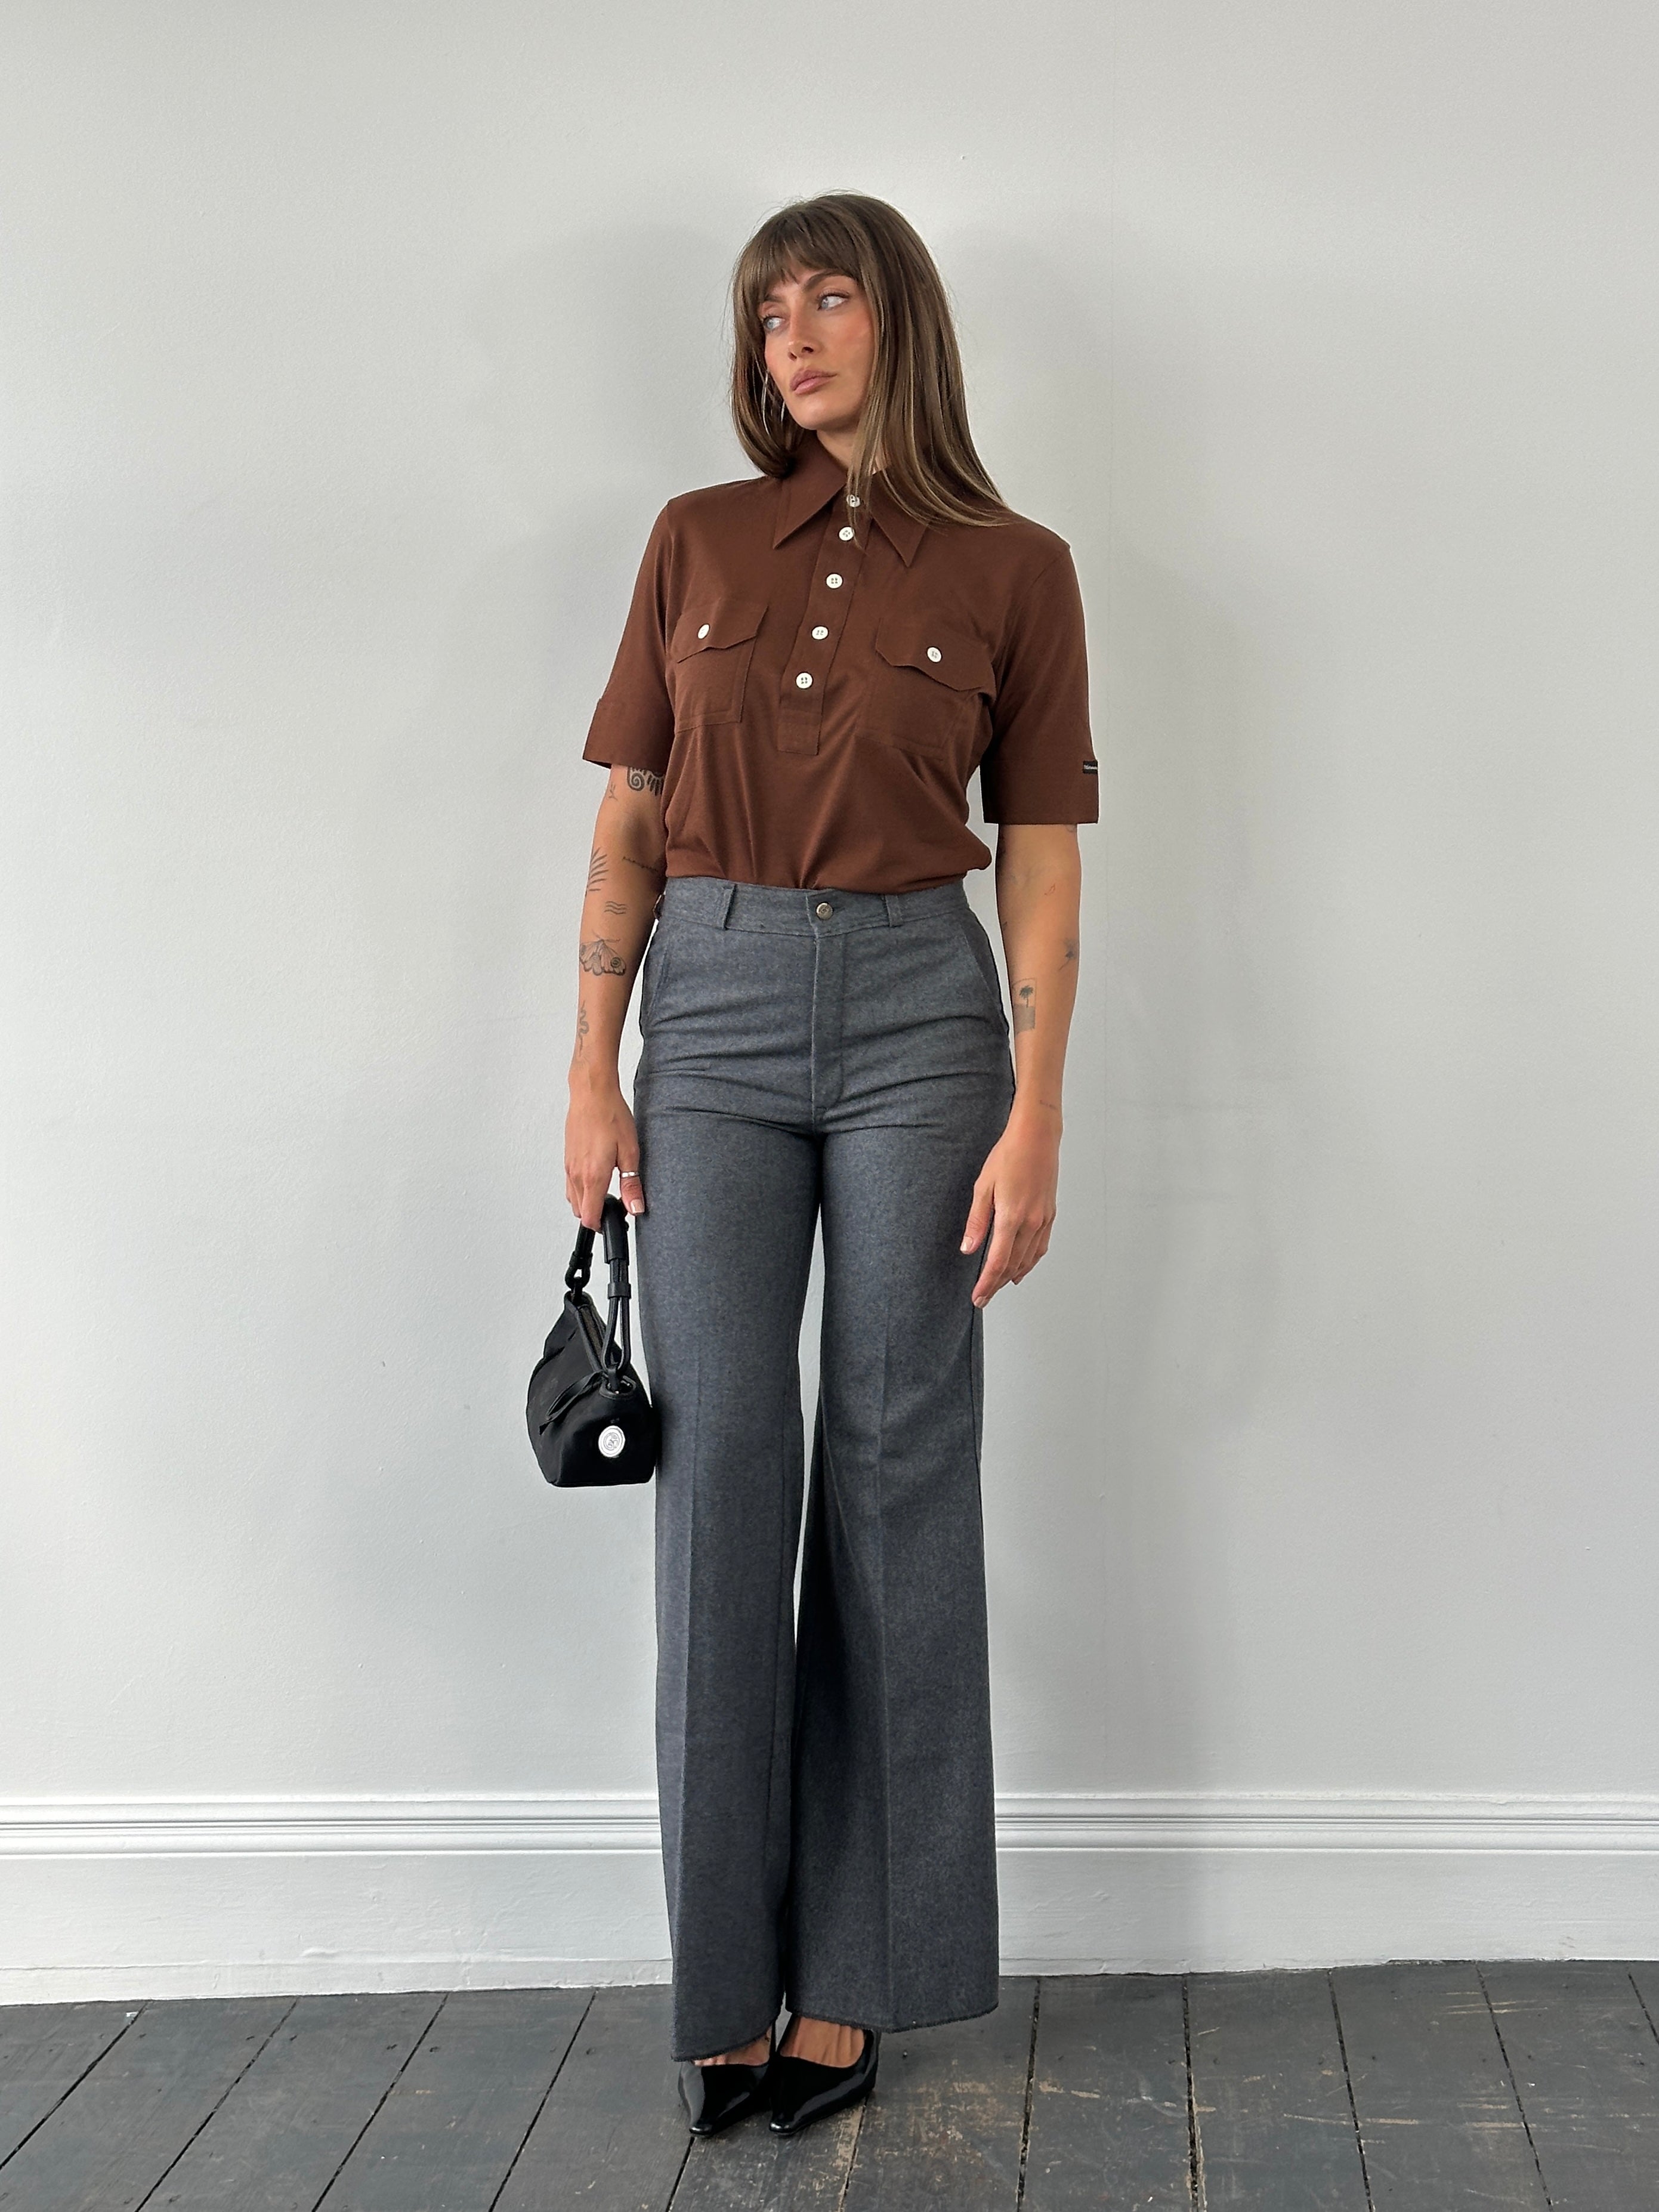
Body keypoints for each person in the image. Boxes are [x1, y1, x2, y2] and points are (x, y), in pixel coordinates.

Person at [563, 191, 1097, 2137]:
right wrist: (590, 1066)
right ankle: (724, 1980)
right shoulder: (696, 539)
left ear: (901, 323)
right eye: (766, 309)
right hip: (704, 1012)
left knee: (894, 1463)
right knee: (720, 1468)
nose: (789, 335)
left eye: (827, 299)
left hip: (920, 1022)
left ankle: (855, 1976)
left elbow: (1041, 856)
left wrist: (1040, 1105)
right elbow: (631, 824)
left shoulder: (1019, 568)